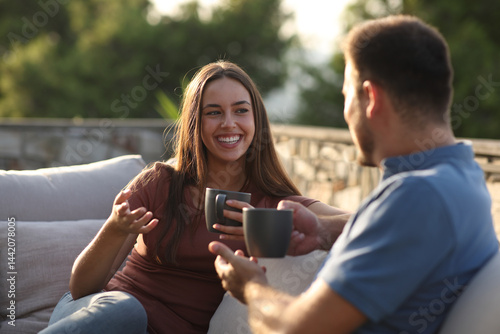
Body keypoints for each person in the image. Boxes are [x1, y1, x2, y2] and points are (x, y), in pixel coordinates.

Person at [209, 15, 499, 334]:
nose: (346, 110)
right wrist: (323, 232)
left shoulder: (418, 195)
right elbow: (405, 241)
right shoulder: (461, 174)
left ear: (370, 98)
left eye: (346, 94)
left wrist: (250, 287)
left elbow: (299, 329)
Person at [40, 60, 349, 334]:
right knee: (127, 311)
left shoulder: (271, 202)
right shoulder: (159, 183)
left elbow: (363, 221)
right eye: (214, 113)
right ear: (195, 124)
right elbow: (81, 288)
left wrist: (301, 227)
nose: (229, 123)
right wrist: (115, 227)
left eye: (241, 110)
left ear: (256, 120)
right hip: (103, 315)